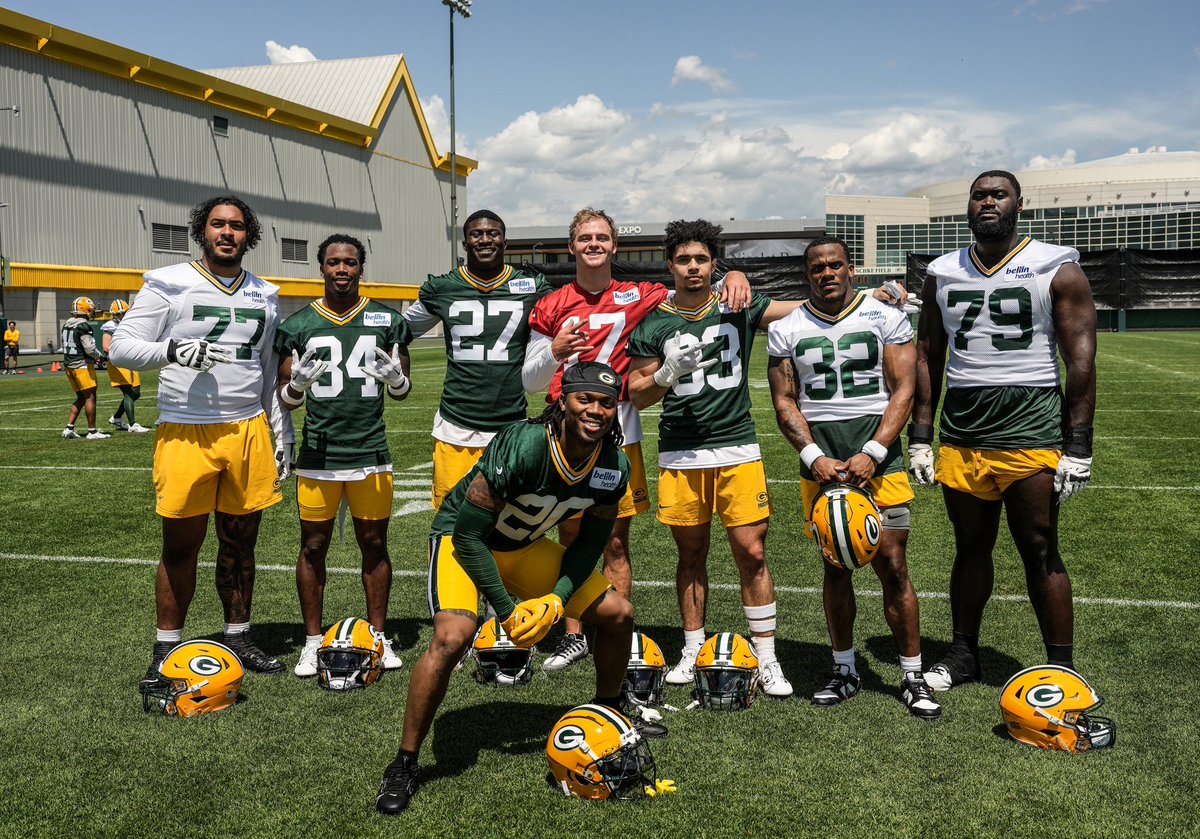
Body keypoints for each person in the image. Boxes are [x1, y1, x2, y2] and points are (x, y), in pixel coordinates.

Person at [375, 362, 642, 816]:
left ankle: (608, 714)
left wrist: (557, 599)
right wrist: (505, 610)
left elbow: (591, 543)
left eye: (605, 402)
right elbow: (468, 536)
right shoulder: (525, 444)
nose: (595, 410)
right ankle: (404, 761)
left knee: (618, 613)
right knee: (452, 638)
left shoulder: (612, 465)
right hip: (464, 543)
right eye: (585, 400)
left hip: (523, 546)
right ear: (563, 401)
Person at [522, 207, 751, 671]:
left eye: (601, 237)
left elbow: (693, 283)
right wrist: (554, 352)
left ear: (614, 246)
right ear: (572, 246)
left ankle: (615, 630)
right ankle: (573, 634)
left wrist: (735, 273)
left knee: (615, 541)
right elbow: (529, 380)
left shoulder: (642, 294)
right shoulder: (551, 302)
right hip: (562, 432)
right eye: (584, 237)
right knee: (567, 534)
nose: (593, 244)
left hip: (619, 429)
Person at [910, 170, 1097, 690]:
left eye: (999, 194)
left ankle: (1062, 665)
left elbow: (1080, 362)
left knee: (1038, 545)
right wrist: (921, 436)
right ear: (966, 207)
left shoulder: (1056, 266)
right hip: (963, 428)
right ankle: (964, 651)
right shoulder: (942, 272)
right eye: (979, 195)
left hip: (1031, 423)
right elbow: (928, 355)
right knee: (970, 546)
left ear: (1019, 203)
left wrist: (1078, 442)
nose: (988, 202)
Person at [110, 195, 294, 682]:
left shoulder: (265, 293)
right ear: (202, 230)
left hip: (247, 426)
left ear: (248, 235)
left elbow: (268, 368)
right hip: (186, 429)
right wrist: (171, 350)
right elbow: (122, 348)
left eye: (236, 226)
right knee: (180, 547)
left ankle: (239, 637)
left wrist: (283, 428)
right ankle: (165, 647)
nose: (227, 233)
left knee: (240, 546)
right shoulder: (169, 283)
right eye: (218, 224)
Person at [627, 218, 804, 699]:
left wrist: (870, 299)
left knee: (752, 552)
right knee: (691, 555)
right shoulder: (655, 321)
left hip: (737, 446)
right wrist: (665, 372)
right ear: (670, 265)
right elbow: (638, 394)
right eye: (683, 259)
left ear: (714, 264)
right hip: (681, 450)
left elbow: (803, 311)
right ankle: (691, 646)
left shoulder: (737, 305)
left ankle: (767, 657)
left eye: (701, 259)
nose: (692, 267)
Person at [766, 235, 941, 718]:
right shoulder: (787, 327)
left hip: (880, 458)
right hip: (822, 459)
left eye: (835, 265)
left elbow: (904, 387)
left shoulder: (885, 315)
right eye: (818, 267)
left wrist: (875, 451)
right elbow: (784, 400)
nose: (827, 273)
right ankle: (844, 668)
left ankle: (912, 674)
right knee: (835, 564)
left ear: (850, 269)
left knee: (893, 564)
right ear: (808, 274)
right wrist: (812, 456)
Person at [274, 234, 413, 677]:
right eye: (333, 262)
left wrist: (397, 381)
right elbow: (286, 398)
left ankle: (377, 634)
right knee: (313, 546)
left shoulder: (386, 320)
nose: (341, 269)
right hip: (319, 456)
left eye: (350, 262)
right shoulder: (297, 325)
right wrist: (296, 386)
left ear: (360, 268)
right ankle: (313, 641)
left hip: (371, 451)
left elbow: (403, 389)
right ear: (321, 268)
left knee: (374, 545)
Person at [402, 210, 551, 510]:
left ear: (505, 241)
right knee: (451, 521)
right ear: (465, 243)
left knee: (511, 524)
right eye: (477, 234)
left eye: (492, 233)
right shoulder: (444, 288)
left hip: (511, 427)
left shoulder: (531, 286)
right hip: (456, 425)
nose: (485, 239)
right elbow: (398, 330)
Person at [60, 296, 110, 440]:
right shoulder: (83, 325)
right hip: (81, 364)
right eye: (91, 310)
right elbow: (89, 348)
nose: (92, 312)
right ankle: (92, 431)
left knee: (81, 398)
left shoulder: (67, 324)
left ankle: (69, 428)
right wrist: (98, 356)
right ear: (86, 310)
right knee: (90, 396)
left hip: (69, 364)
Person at [101, 300, 150, 433]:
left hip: (130, 361)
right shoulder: (110, 326)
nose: (122, 316)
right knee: (128, 392)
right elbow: (106, 347)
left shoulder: (130, 323)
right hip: (118, 362)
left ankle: (116, 418)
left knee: (136, 393)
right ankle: (133, 424)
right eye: (119, 313)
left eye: (124, 313)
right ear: (114, 314)